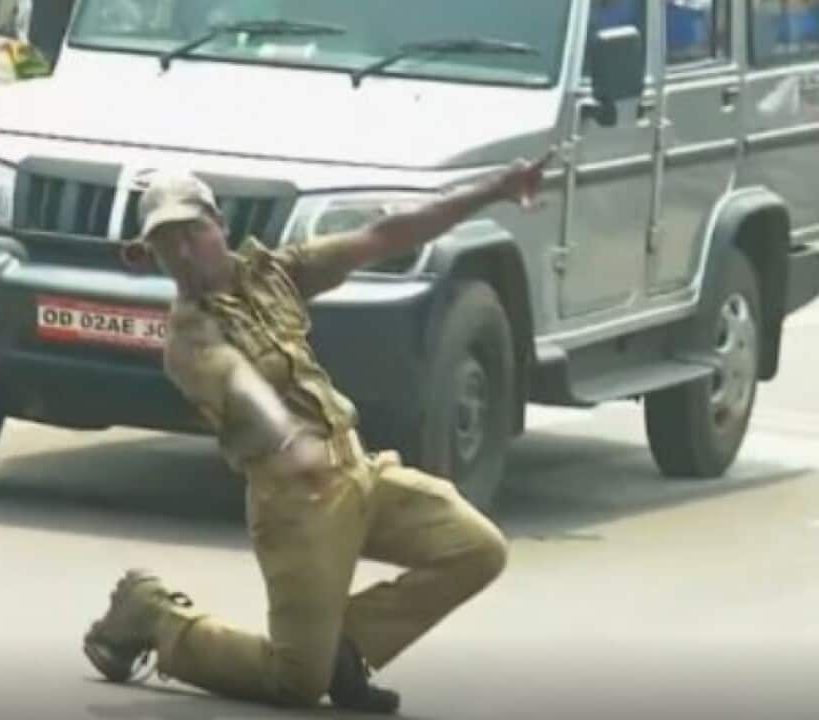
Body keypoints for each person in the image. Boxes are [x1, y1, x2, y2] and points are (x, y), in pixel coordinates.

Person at [83, 152, 552, 714]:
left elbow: (382, 236)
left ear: (220, 226)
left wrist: (494, 189)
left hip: (360, 474)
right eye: (165, 245)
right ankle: (154, 615)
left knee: (477, 550)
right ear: (148, 255)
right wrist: (286, 435)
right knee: (295, 685)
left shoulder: (278, 274)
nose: (182, 253)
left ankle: (348, 651)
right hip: (296, 505)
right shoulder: (188, 336)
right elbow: (238, 382)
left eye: (192, 233)